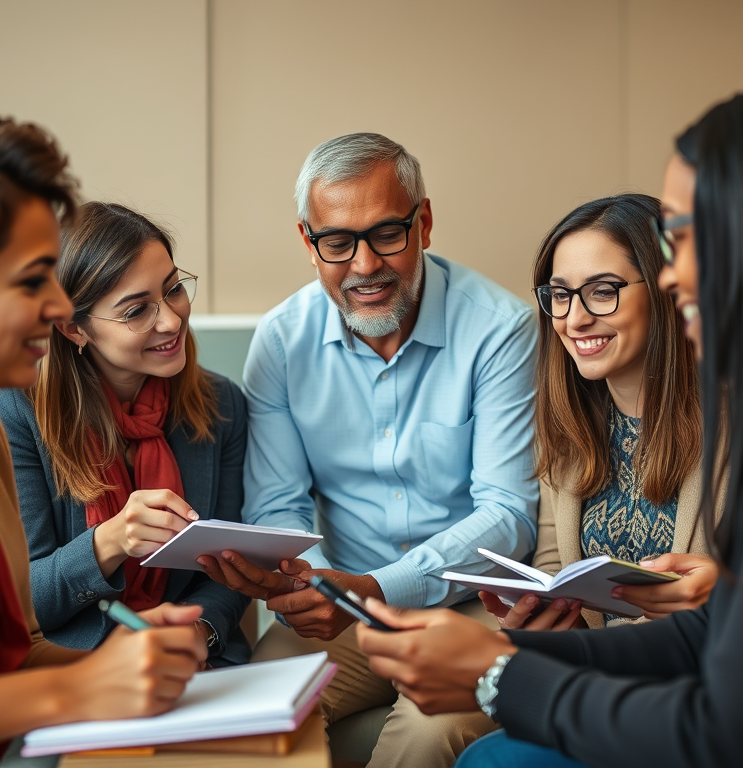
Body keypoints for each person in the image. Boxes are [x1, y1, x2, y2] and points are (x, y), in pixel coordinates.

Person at [356, 81, 743, 767]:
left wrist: (501, 675)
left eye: (684, 240)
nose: (670, 275)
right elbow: (716, 631)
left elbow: (737, 734)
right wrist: (508, 648)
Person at [200, 132, 539, 767]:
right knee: (247, 716)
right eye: (337, 242)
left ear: (425, 223)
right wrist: (302, 580)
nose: (364, 266)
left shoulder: (501, 330)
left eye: (387, 233)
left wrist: (375, 588)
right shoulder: (280, 341)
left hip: (479, 608)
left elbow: (508, 515)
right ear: (309, 243)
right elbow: (279, 505)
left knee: (426, 735)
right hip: (344, 607)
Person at [0, 116, 205, 768]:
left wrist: (125, 656)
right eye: (30, 280)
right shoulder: (5, 418)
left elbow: (7, 655)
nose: (58, 306)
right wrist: (75, 686)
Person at [0, 201, 251, 667]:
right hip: (70, 668)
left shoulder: (221, 404)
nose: (170, 320)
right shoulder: (12, 408)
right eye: (136, 311)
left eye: (173, 290)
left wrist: (199, 631)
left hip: (197, 666)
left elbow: (226, 572)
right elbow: (17, 603)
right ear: (73, 328)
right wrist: (110, 542)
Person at [482, 194, 718, 633]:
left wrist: (726, 594)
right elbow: (553, 561)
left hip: (699, 681)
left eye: (603, 291)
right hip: (594, 678)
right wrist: (552, 622)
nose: (574, 319)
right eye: (560, 295)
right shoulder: (567, 420)